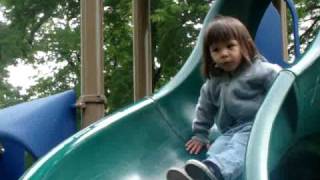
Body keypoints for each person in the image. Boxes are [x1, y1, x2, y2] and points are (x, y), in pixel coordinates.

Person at [166, 15, 281, 180]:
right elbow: (204, 109)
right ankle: (204, 174)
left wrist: (276, 119)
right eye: (216, 50)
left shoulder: (261, 71)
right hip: (228, 131)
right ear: (209, 55)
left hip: (256, 127)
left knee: (240, 148)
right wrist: (200, 134)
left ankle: (214, 171)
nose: (224, 54)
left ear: (246, 47)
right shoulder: (213, 84)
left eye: (230, 46)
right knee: (216, 150)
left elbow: (282, 86)